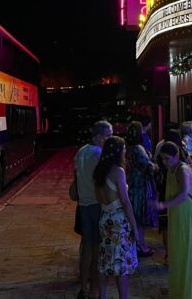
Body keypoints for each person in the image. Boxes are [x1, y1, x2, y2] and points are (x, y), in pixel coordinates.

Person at [149, 142, 192, 298]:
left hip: (187, 219)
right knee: (178, 258)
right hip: (177, 219)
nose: (165, 162)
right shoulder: (171, 170)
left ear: (176, 156)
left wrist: (162, 205)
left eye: (167, 159)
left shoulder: (183, 170)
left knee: (187, 259)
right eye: (163, 159)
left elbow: (184, 193)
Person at [93, 136, 138, 299]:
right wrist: (134, 226)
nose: (125, 151)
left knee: (105, 261)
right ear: (118, 151)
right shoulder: (118, 171)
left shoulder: (98, 171)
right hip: (119, 221)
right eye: (124, 149)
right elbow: (125, 202)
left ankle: (103, 296)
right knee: (121, 266)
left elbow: (98, 198)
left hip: (105, 219)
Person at [75, 120, 112, 299]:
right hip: (97, 204)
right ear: (99, 136)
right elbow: (103, 183)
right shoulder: (99, 154)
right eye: (108, 136)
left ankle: (83, 288)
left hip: (83, 204)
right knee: (97, 250)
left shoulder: (80, 152)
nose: (110, 140)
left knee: (86, 248)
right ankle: (94, 292)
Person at [126, 122, 158, 256]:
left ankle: (136, 244)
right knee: (139, 218)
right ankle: (141, 245)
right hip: (140, 186)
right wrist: (156, 166)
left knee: (134, 216)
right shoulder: (138, 148)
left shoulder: (126, 148)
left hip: (131, 184)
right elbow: (148, 166)